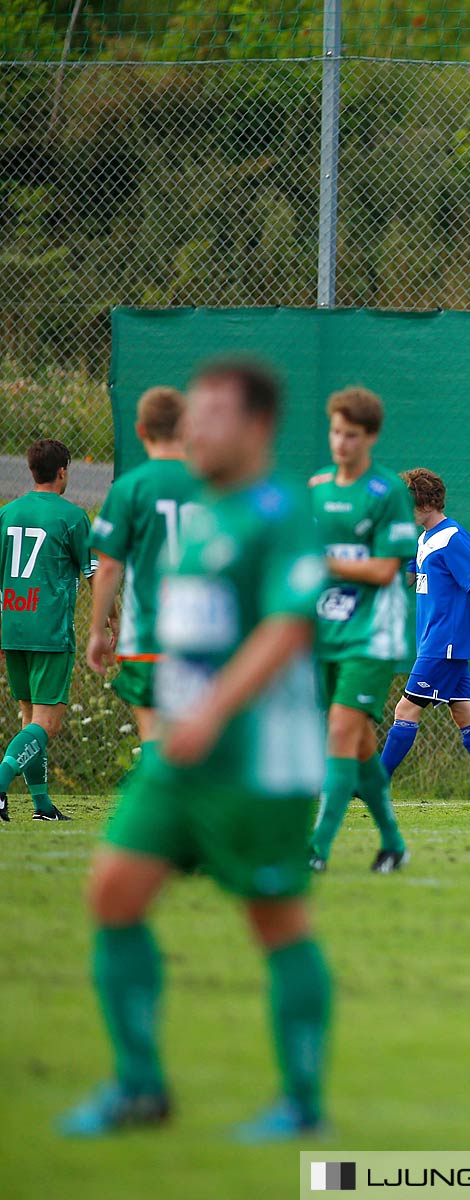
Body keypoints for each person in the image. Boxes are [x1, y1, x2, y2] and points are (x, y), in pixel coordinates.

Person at [58, 358, 334, 1140]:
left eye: (213, 414)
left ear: (258, 429)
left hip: (256, 760)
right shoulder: (200, 507)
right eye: (191, 413)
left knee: (275, 921)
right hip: (181, 754)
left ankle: (303, 1105)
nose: (194, 428)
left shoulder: (280, 512)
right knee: (113, 892)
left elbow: (288, 625)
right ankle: (140, 1087)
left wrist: (213, 708)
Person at [306, 387, 415, 873]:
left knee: (339, 731)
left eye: (351, 435)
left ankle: (315, 851)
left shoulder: (388, 491)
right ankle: (392, 842)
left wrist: (322, 562)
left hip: (372, 634)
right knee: (359, 741)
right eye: (334, 432)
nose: (340, 443)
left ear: (370, 437)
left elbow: (386, 570)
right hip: (324, 631)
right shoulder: (316, 488)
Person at [377, 468, 470, 802]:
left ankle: (376, 783)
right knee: (463, 710)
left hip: (442, 643)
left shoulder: (452, 537)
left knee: (405, 710)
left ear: (427, 502)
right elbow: (405, 578)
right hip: (436, 643)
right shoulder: (423, 540)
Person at [87, 386, 201, 745]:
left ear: (140, 431)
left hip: (149, 631)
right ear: (187, 429)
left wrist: (97, 631)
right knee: (196, 738)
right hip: (204, 634)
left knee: (154, 739)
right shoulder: (210, 483)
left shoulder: (130, 488)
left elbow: (108, 568)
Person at [0, 437, 93, 822]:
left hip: (13, 627)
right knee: (46, 724)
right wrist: (113, 617)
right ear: (62, 471)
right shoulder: (72, 517)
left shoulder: (7, 513)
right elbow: (93, 572)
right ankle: (2, 779)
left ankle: (41, 806)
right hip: (49, 630)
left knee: (28, 717)